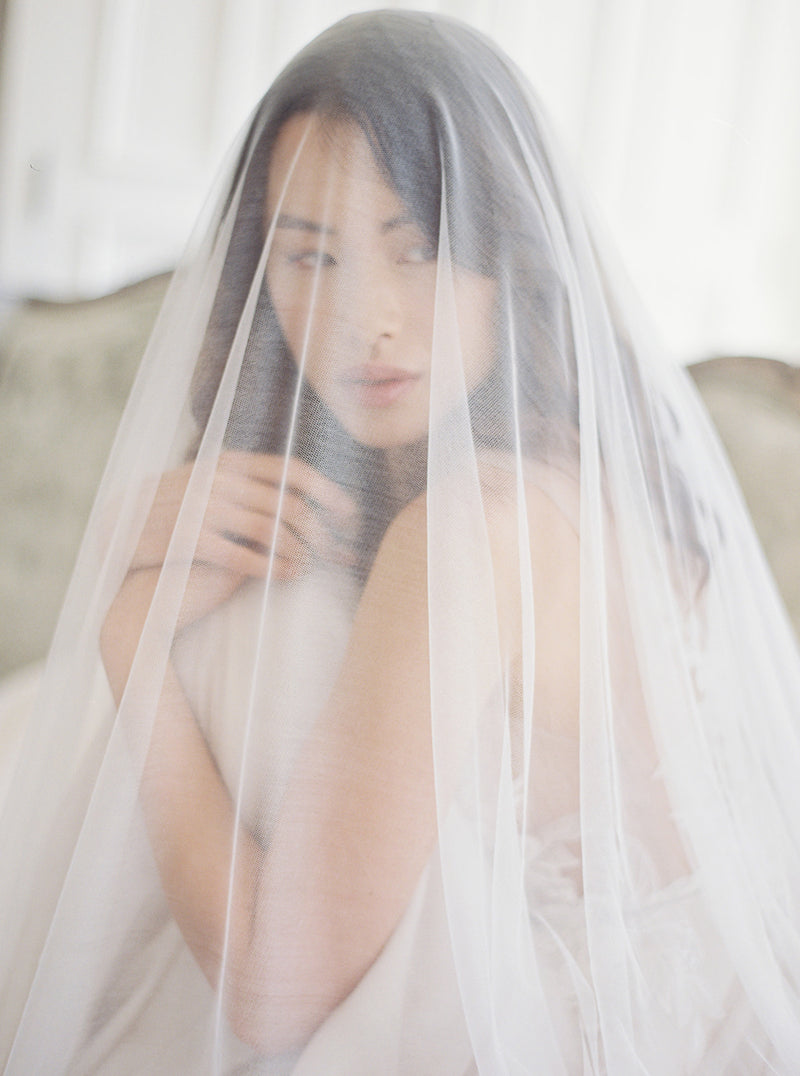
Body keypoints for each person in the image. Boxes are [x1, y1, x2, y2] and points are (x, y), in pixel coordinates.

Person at [2, 10, 800, 1074]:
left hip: (550, 1035)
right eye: (308, 257)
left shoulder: (472, 532)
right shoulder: (593, 469)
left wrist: (133, 644)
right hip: (662, 1001)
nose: (361, 317)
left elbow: (274, 992)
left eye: (414, 247)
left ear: (505, 253)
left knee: (248, 637)